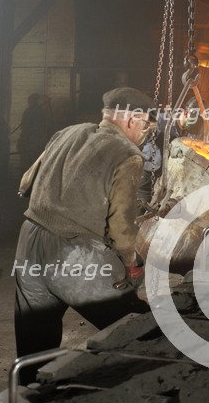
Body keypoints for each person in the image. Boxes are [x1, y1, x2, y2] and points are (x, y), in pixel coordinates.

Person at [14, 87, 154, 366]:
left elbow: (26, 183)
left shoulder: (65, 133)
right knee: (137, 328)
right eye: (146, 126)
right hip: (74, 254)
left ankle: (27, 399)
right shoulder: (128, 154)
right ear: (131, 120)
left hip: (28, 244)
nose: (145, 134)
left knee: (34, 347)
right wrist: (131, 264)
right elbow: (121, 229)